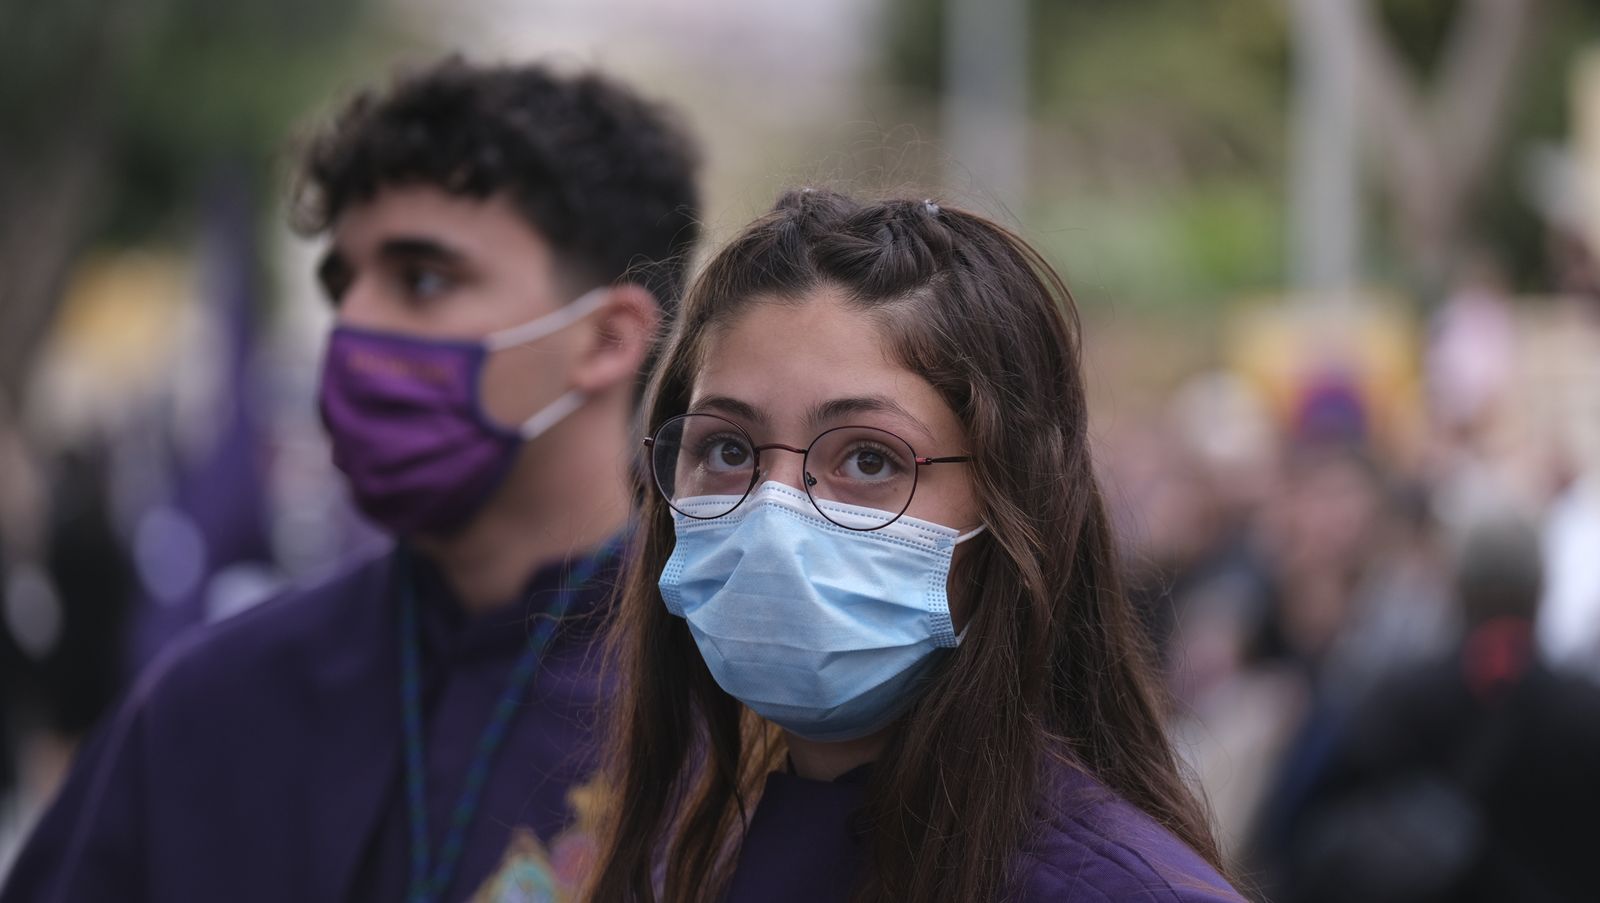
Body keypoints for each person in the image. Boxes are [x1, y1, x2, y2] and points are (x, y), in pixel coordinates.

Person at [1, 57, 700, 902]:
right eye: (343, 282)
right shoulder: (211, 701)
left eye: (424, 279)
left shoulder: (728, 725)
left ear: (607, 339)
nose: (354, 326)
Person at [584, 190, 1243, 902]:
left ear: (1013, 501)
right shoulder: (703, 854)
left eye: (869, 459)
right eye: (727, 447)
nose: (772, 514)